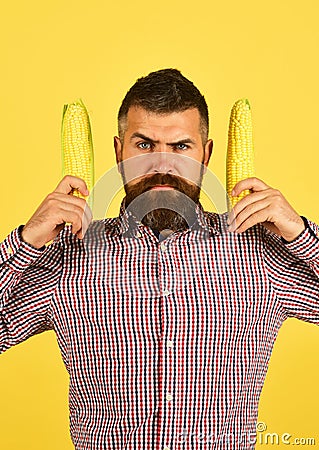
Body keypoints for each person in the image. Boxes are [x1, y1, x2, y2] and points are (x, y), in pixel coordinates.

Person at [0, 68, 318, 450]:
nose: (162, 164)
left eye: (181, 146)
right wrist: (27, 239)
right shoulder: (67, 255)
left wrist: (300, 232)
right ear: (119, 152)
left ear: (207, 154)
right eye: (144, 145)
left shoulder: (259, 252)